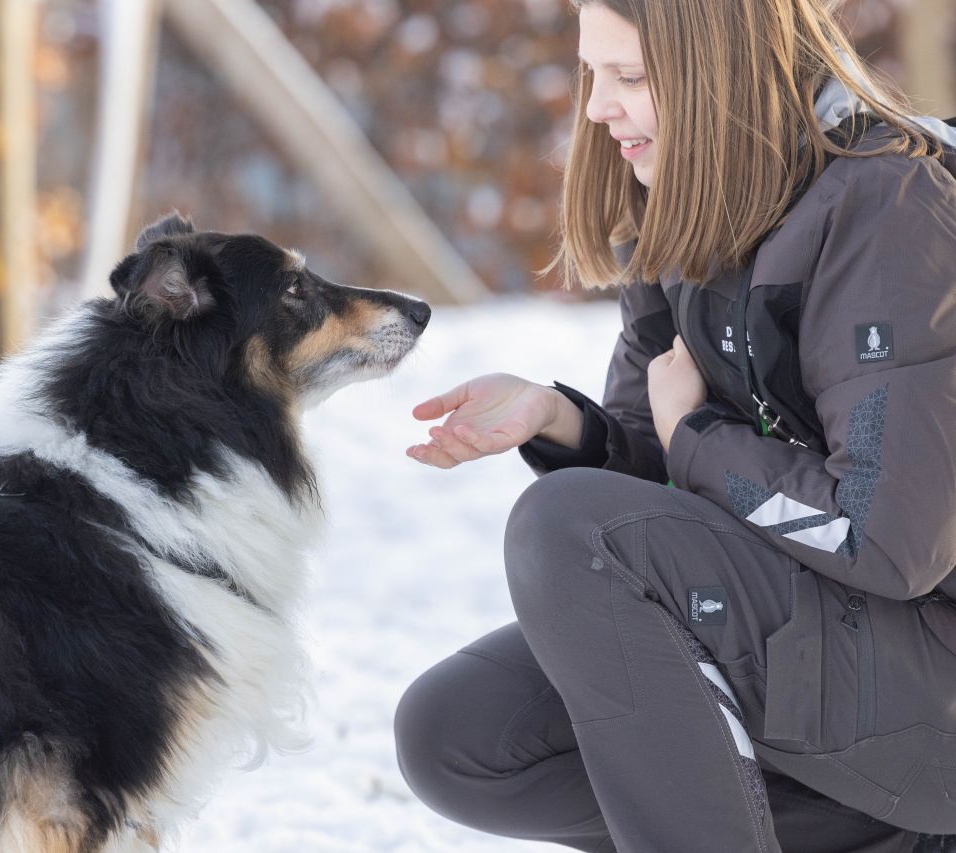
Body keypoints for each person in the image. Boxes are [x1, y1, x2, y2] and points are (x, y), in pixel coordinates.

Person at [393, 1, 956, 851]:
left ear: (719, 69)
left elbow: (887, 539)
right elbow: (649, 496)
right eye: (594, 74)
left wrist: (698, 437)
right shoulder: (693, 206)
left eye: (630, 77)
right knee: (460, 737)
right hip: (844, 645)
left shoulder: (888, 204)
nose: (596, 107)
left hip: (933, 673)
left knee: (565, 526)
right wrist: (563, 423)